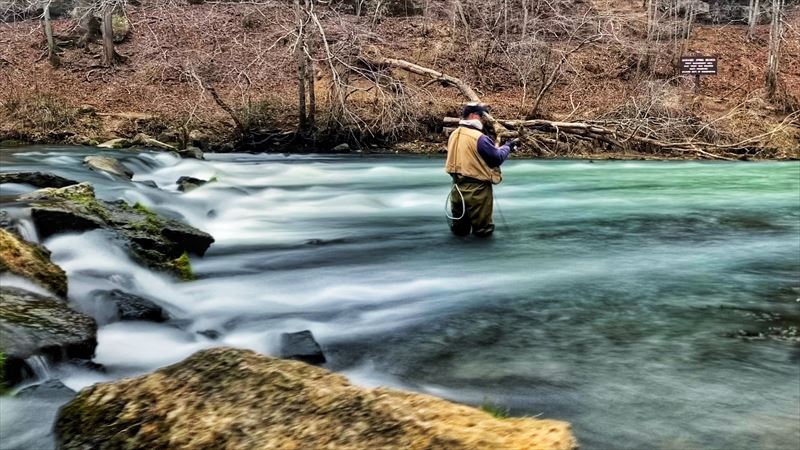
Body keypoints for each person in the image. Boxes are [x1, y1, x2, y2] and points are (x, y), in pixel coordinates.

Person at [445, 102, 518, 237]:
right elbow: (496, 158)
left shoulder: (454, 134)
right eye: (481, 116)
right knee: (483, 232)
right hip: (477, 192)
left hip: (456, 190)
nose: (483, 121)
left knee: (460, 231)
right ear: (472, 115)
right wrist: (508, 147)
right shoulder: (479, 138)